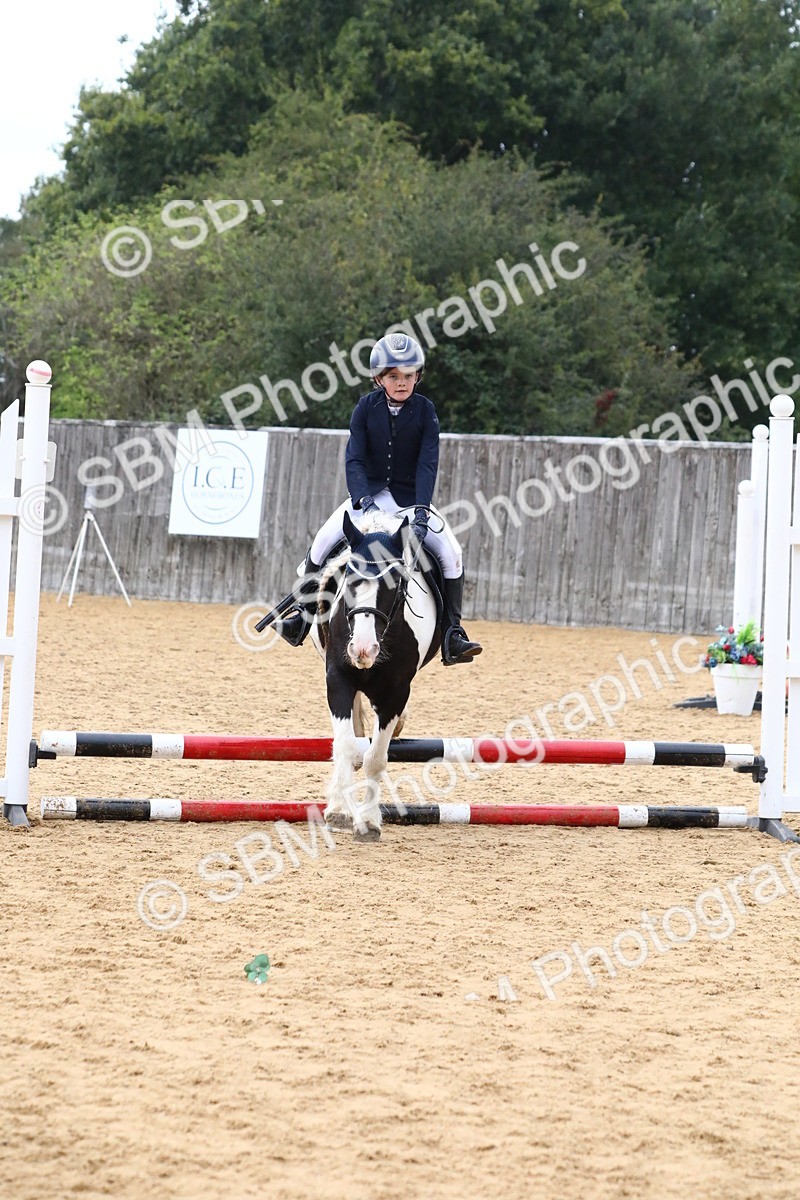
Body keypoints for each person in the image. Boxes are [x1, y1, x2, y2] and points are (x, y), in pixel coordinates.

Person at [277, 332, 483, 665]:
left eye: (408, 375)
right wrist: (364, 502)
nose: (401, 382)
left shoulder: (426, 412)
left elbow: (427, 464)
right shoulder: (364, 408)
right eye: (393, 376)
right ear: (378, 378)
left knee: (452, 554)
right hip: (366, 499)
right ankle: (301, 616)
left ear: (417, 376)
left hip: (409, 502)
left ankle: (452, 634)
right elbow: (354, 458)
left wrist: (419, 514)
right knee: (320, 544)